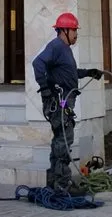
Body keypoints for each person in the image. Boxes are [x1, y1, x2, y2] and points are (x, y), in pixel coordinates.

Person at [32, 12, 103, 192]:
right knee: (64, 141)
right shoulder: (56, 46)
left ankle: (54, 184)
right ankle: (62, 186)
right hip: (58, 102)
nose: (76, 34)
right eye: (74, 30)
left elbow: (68, 72)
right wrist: (46, 88)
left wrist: (88, 73)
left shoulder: (65, 49)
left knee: (59, 141)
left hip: (64, 101)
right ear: (64, 30)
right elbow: (37, 63)